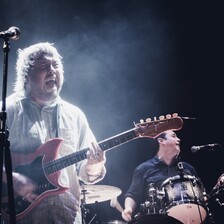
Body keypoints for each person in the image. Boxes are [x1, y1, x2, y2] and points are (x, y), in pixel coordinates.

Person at [1, 42, 106, 224]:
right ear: (26, 75)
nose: (52, 71)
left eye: (56, 65)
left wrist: (94, 166)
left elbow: (86, 171)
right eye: (44, 66)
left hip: (67, 214)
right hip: (21, 215)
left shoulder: (75, 115)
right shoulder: (7, 110)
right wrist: (11, 178)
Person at [121, 130, 208, 224]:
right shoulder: (144, 168)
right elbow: (133, 194)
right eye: (174, 136)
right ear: (161, 140)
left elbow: (202, 194)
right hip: (158, 220)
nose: (178, 139)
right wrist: (128, 208)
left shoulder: (188, 168)